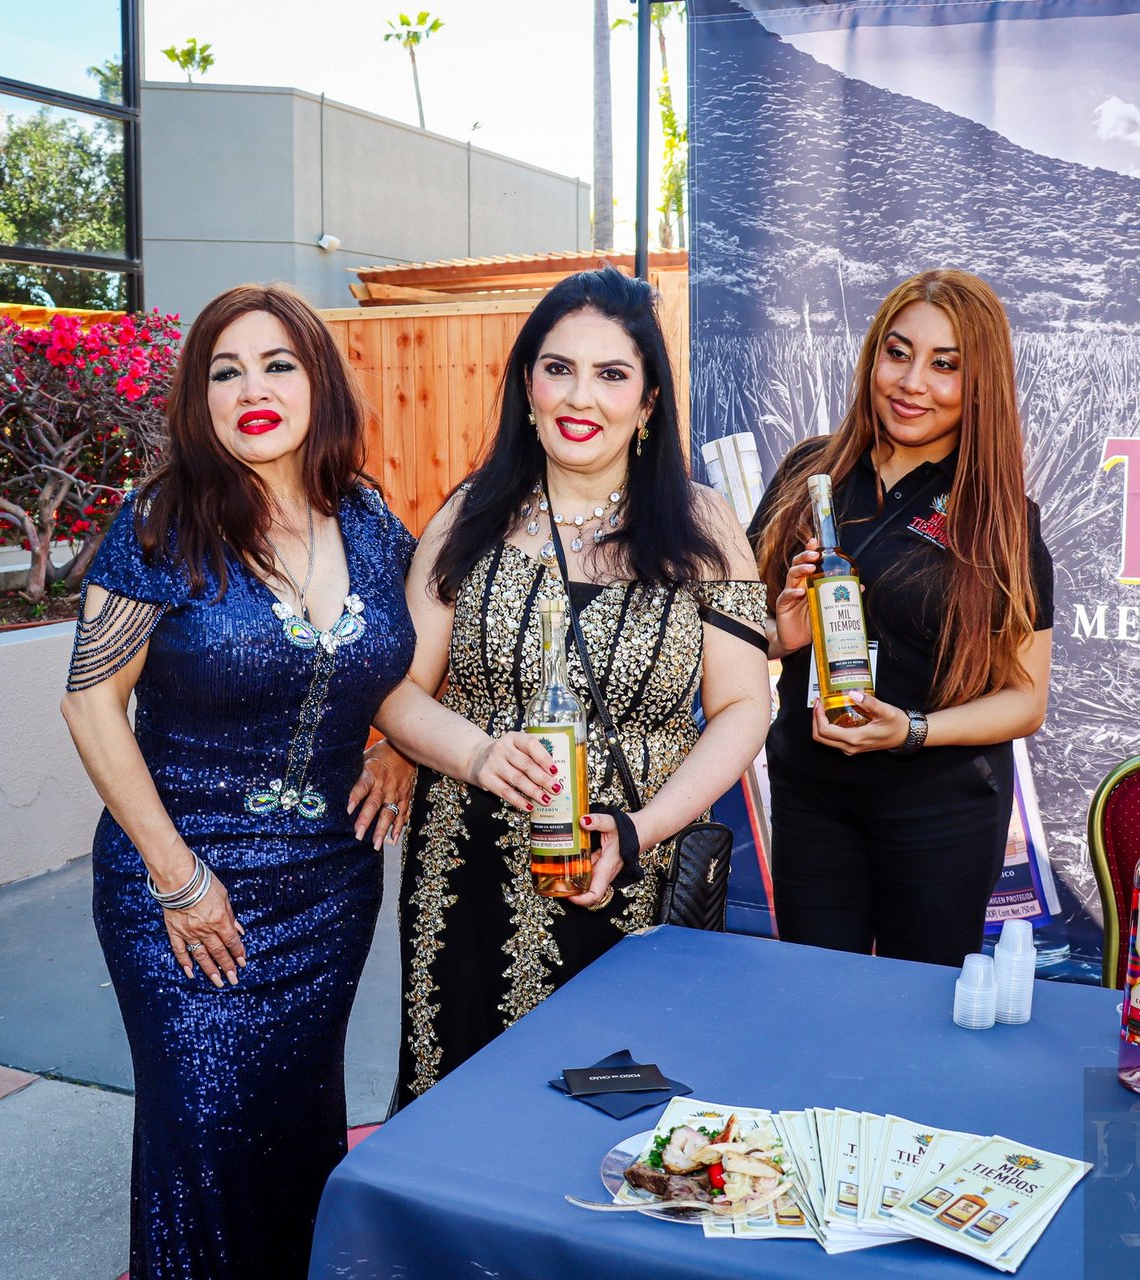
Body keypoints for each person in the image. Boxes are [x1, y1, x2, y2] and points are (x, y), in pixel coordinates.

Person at [60, 283, 415, 1279]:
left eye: (278, 365)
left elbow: (406, 657)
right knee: (203, 1135)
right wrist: (178, 879)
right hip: (179, 890)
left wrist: (399, 745)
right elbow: (90, 703)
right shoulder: (162, 523)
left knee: (296, 1130)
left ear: (320, 384)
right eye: (226, 372)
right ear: (200, 398)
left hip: (328, 890)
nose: (252, 389)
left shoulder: (370, 522)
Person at [371, 267, 771, 1103]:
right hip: (467, 876)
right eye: (558, 369)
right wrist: (478, 755)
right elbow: (397, 690)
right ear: (528, 387)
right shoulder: (469, 515)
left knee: (616, 1119)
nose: (580, 397)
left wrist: (639, 831)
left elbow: (743, 706)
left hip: (634, 872)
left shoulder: (704, 527)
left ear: (649, 401)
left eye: (611, 374)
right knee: (464, 1107)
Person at [751, 268, 1053, 968]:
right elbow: (739, 633)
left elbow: (1026, 699)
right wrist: (780, 636)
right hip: (811, 796)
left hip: (940, 809)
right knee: (815, 996)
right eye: (898, 353)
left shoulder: (1001, 517)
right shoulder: (810, 474)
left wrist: (912, 731)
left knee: (920, 1010)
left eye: (945, 365)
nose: (912, 383)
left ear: (979, 384)